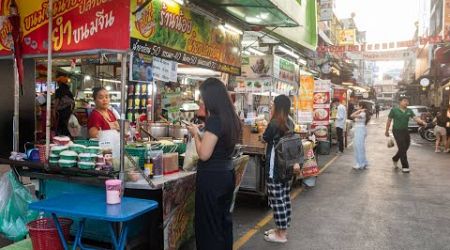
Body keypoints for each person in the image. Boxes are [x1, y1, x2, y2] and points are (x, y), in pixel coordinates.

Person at [186, 78, 241, 250]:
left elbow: (204, 154)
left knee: (209, 226)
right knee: (223, 222)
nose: (201, 101)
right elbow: (218, 145)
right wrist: (205, 132)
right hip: (226, 174)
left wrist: (195, 133)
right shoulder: (231, 118)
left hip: (212, 179)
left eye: (202, 97)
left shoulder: (215, 120)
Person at [261, 95, 301, 244]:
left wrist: (271, 117)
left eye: (273, 105)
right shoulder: (289, 121)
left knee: (278, 201)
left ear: (277, 106)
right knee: (284, 198)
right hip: (287, 167)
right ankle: (280, 229)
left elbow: (265, 138)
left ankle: (281, 234)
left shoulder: (274, 122)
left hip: (275, 168)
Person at [385, 97, 426, 173]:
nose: (406, 103)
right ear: (400, 102)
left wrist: (423, 122)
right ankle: (405, 166)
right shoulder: (394, 110)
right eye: (404, 101)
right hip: (397, 131)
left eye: (407, 101)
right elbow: (389, 120)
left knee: (406, 146)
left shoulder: (409, 111)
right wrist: (387, 130)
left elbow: (415, 118)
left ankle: (395, 158)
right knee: (402, 147)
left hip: (405, 131)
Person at [350, 103, 371, 169]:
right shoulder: (363, 113)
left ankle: (360, 163)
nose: (357, 106)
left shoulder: (362, 113)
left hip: (360, 130)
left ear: (361, 106)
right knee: (359, 147)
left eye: (358, 105)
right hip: (359, 130)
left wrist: (359, 110)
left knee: (358, 147)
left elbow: (352, 115)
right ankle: (363, 162)